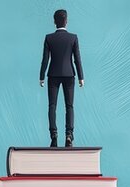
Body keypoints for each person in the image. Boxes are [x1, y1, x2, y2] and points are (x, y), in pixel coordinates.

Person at [40, 9, 84, 147]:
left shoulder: (49, 38)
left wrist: (41, 76)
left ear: (54, 22)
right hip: (69, 74)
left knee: (52, 106)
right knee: (69, 106)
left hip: (52, 74)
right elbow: (77, 59)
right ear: (67, 21)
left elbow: (45, 59)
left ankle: (53, 135)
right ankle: (69, 135)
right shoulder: (73, 38)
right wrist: (81, 77)